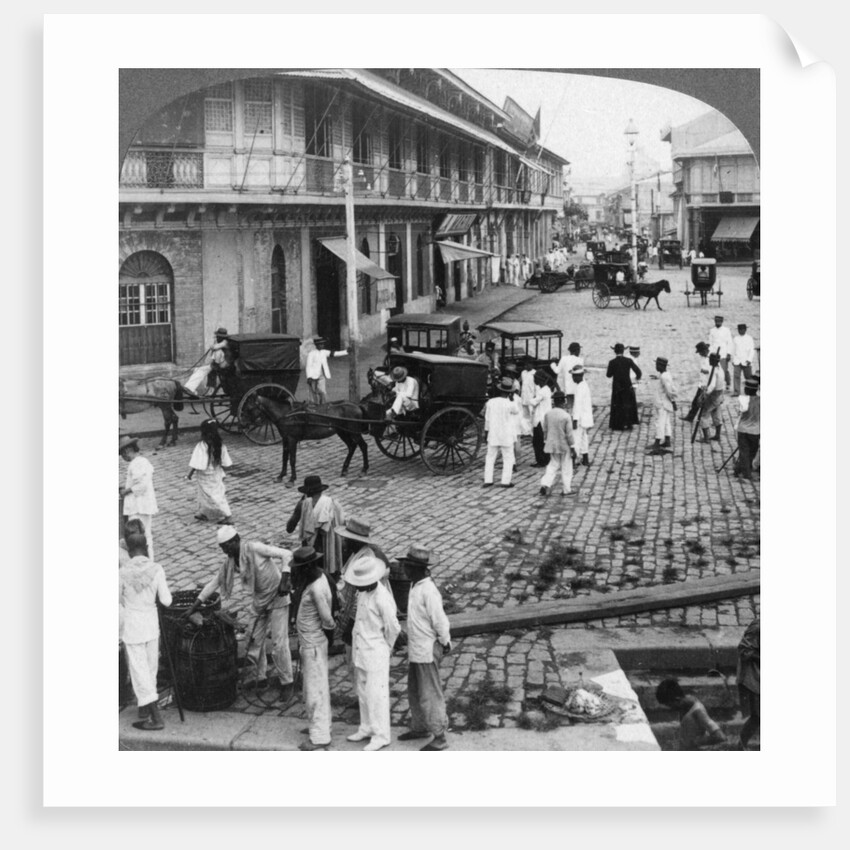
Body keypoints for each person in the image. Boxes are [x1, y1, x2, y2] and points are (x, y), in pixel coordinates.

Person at [190, 526, 294, 699]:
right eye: (223, 549)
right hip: (259, 601)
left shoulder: (255, 548)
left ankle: (287, 682)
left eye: (227, 546)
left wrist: (285, 578)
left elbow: (287, 554)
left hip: (278, 597)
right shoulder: (230, 562)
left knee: (279, 643)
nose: (226, 552)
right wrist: (194, 606)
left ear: (236, 540)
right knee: (253, 639)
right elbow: (214, 583)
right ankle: (261, 678)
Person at [396, 546, 452, 751]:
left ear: (418, 569)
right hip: (416, 650)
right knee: (415, 691)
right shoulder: (415, 586)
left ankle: (439, 735)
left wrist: (445, 642)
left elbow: (440, 621)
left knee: (430, 693)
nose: (404, 571)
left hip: (427, 651)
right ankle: (420, 727)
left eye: (407, 567)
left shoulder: (428, 591)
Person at [344, 555, 401, 751]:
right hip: (361, 651)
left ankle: (381, 735)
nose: (357, 587)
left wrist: (387, 647)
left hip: (376, 652)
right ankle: (366, 726)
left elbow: (393, 627)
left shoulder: (382, 597)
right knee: (363, 692)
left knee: (377, 695)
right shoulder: (363, 595)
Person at [119, 530, 173, 731]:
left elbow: (116, 599)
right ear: (147, 548)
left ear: (130, 552)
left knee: (139, 670)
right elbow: (167, 600)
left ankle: (155, 717)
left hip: (133, 626)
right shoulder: (156, 569)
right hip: (151, 625)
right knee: (150, 668)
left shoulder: (122, 573)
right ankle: (146, 708)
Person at [291, 546, 336, 751]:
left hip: (313, 644)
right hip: (312, 643)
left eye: (300, 568)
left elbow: (327, 619)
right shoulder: (319, 579)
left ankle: (319, 737)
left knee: (314, 690)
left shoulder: (316, 588)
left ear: (308, 567)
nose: (297, 572)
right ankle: (321, 725)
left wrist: (325, 635)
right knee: (316, 687)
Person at [286, 475, 345, 578]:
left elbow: (289, 528)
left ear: (306, 491)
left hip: (310, 554)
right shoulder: (332, 503)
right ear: (321, 490)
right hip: (330, 552)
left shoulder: (303, 505)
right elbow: (342, 525)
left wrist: (300, 505)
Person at [655, 678, 727, 751]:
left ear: (677, 699)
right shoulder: (685, 703)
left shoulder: (698, 711)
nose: (671, 708)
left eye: (670, 705)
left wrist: (696, 741)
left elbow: (720, 736)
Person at [119, 435, 158, 561]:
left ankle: (144, 561)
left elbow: (142, 485)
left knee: (138, 537)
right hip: (141, 506)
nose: (123, 457)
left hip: (139, 506)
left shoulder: (137, 463)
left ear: (127, 451)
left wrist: (126, 491)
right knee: (145, 535)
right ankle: (148, 560)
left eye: (122, 454)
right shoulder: (141, 462)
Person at [187, 419, 233, 523]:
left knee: (213, 496)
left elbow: (196, 464)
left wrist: (189, 474)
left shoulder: (201, 446)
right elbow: (226, 463)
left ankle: (228, 516)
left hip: (205, 476)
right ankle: (204, 512)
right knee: (210, 494)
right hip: (216, 474)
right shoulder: (220, 445)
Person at [483, 376, 520, 488]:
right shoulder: (510, 404)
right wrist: (512, 399)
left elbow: (487, 420)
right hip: (506, 435)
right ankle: (505, 481)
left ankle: (488, 480)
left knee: (490, 457)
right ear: (510, 392)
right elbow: (516, 411)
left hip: (493, 433)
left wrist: (486, 433)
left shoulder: (490, 402)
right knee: (508, 458)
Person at [538, 391, 577, 497]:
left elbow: (545, 429)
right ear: (563, 401)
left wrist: (546, 441)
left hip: (552, 444)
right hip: (564, 445)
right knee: (567, 467)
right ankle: (566, 489)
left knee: (553, 464)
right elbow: (569, 434)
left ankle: (545, 484)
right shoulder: (566, 416)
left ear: (553, 401)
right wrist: (573, 447)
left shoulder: (548, 414)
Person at [183, 327, 232, 396]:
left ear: (222, 337)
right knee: (198, 369)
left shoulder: (225, 342)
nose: (217, 338)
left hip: (222, 365)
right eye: (217, 337)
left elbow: (214, 347)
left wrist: (213, 345)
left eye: (218, 337)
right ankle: (191, 387)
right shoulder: (222, 342)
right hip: (218, 363)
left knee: (201, 370)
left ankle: (190, 387)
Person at [735, 618, 760, 750]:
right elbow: (744, 651)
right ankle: (741, 744)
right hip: (753, 677)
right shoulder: (757, 627)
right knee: (758, 716)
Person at [606, 343, 641, 431]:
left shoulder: (612, 362)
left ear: (614, 351)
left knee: (617, 404)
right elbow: (638, 371)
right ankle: (629, 423)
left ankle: (618, 424)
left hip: (617, 386)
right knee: (627, 404)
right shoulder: (628, 360)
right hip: (627, 385)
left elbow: (608, 375)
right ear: (623, 351)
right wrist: (637, 379)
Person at [305, 337, 348, 405]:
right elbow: (308, 366)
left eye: (322, 344)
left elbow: (334, 354)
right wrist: (309, 377)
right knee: (313, 392)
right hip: (313, 376)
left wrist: (346, 351)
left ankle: (323, 405)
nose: (322, 346)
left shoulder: (324, 352)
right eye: (320, 344)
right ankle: (313, 405)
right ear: (316, 345)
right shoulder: (311, 354)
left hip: (322, 375)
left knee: (323, 391)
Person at [649, 357, 677, 454]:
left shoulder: (664, 377)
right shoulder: (665, 375)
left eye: (657, 365)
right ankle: (667, 440)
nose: (656, 367)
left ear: (661, 366)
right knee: (666, 422)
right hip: (663, 402)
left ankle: (657, 441)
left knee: (660, 422)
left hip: (663, 403)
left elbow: (669, 391)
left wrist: (673, 401)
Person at [733, 377, 761, 479]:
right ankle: (744, 469)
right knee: (752, 451)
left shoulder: (743, 399)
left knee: (744, 451)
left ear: (746, 390)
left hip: (743, 429)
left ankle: (742, 470)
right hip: (755, 431)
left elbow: (741, 409)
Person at [697, 352, 726, 443]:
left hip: (713, 395)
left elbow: (712, 385)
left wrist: (705, 395)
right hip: (720, 393)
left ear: (713, 361)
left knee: (703, 415)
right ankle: (717, 435)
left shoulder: (714, 371)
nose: (709, 361)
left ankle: (706, 438)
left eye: (710, 360)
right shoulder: (720, 369)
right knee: (716, 413)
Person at [681, 342, 711, 422]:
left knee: (703, 403)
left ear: (704, 351)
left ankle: (705, 419)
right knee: (696, 402)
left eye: (700, 352)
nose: (699, 354)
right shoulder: (703, 358)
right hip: (701, 384)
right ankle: (691, 417)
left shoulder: (710, 359)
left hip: (707, 385)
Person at [570, 365, 593, 467]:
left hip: (579, 418)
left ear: (580, 376)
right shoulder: (585, 385)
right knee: (584, 438)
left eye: (574, 376)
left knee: (576, 439)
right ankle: (585, 459)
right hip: (586, 417)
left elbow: (577, 405)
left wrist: (575, 419)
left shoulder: (579, 388)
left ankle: (573, 461)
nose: (573, 378)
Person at [529, 371, 553, 467]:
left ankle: (541, 460)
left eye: (535, 378)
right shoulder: (545, 389)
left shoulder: (542, 391)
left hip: (540, 419)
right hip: (543, 418)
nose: (534, 380)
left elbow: (533, 402)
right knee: (543, 440)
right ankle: (545, 459)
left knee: (538, 441)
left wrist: (530, 399)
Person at [708, 316, 733, 388]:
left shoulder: (726, 330)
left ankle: (728, 382)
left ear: (722, 322)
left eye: (719, 321)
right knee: (714, 369)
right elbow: (710, 342)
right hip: (714, 353)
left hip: (723, 353)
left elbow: (729, 342)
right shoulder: (712, 330)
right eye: (716, 321)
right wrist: (710, 353)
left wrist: (728, 353)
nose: (717, 323)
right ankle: (717, 383)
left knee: (723, 369)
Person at [731, 323, 756, 395]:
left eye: (742, 329)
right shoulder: (735, 338)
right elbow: (733, 349)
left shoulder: (749, 338)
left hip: (746, 361)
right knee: (736, 376)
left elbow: (752, 350)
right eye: (739, 330)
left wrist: (749, 359)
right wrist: (733, 359)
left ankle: (750, 391)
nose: (741, 331)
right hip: (737, 360)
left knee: (748, 376)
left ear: (745, 330)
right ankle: (736, 392)